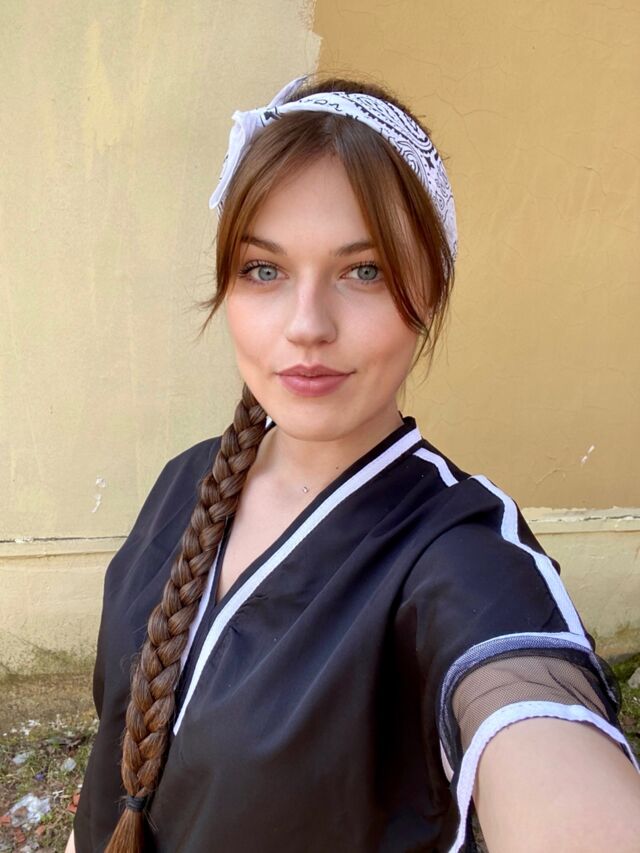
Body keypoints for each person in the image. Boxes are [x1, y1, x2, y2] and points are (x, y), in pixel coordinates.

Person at [68, 75, 640, 853]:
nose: (307, 325)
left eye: (363, 270)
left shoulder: (457, 553)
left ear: (430, 288)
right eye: (264, 269)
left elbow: (530, 713)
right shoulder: (186, 482)